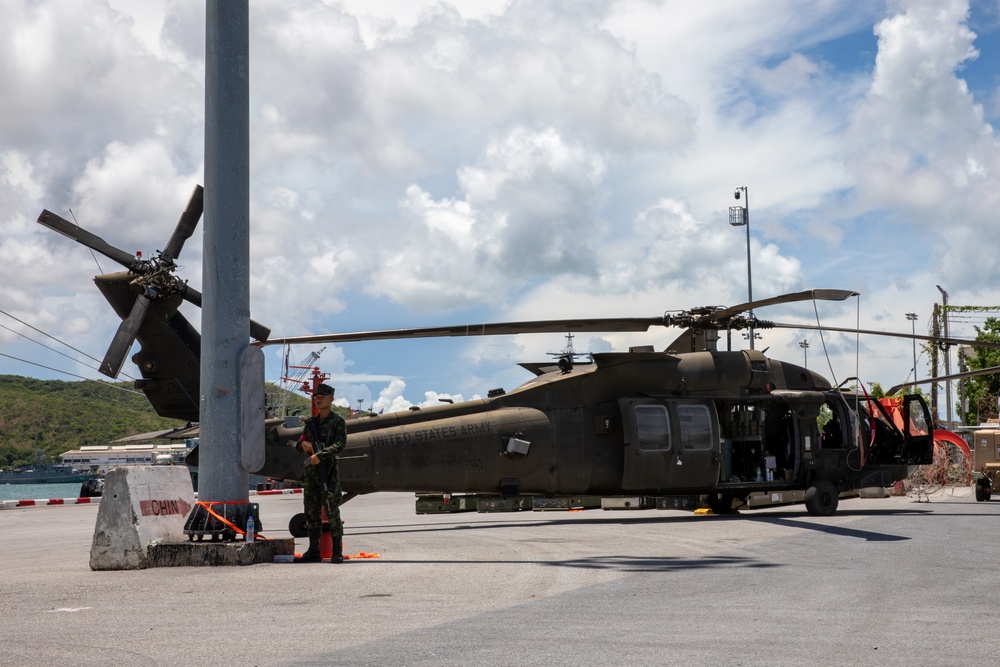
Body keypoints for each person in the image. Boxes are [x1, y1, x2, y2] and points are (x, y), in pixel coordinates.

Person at [293, 383, 348, 563]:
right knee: (311, 512)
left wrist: (321, 455)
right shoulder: (311, 423)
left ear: (331, 398)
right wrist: (304, 445)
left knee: (332, 510)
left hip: (329, 472)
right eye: (317, 396)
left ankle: (336, 551)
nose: (318, 399)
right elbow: (300, 443)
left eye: (323, 396)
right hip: (311, 474)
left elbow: (340, 445)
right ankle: (313, 551)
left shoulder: (338, 422)